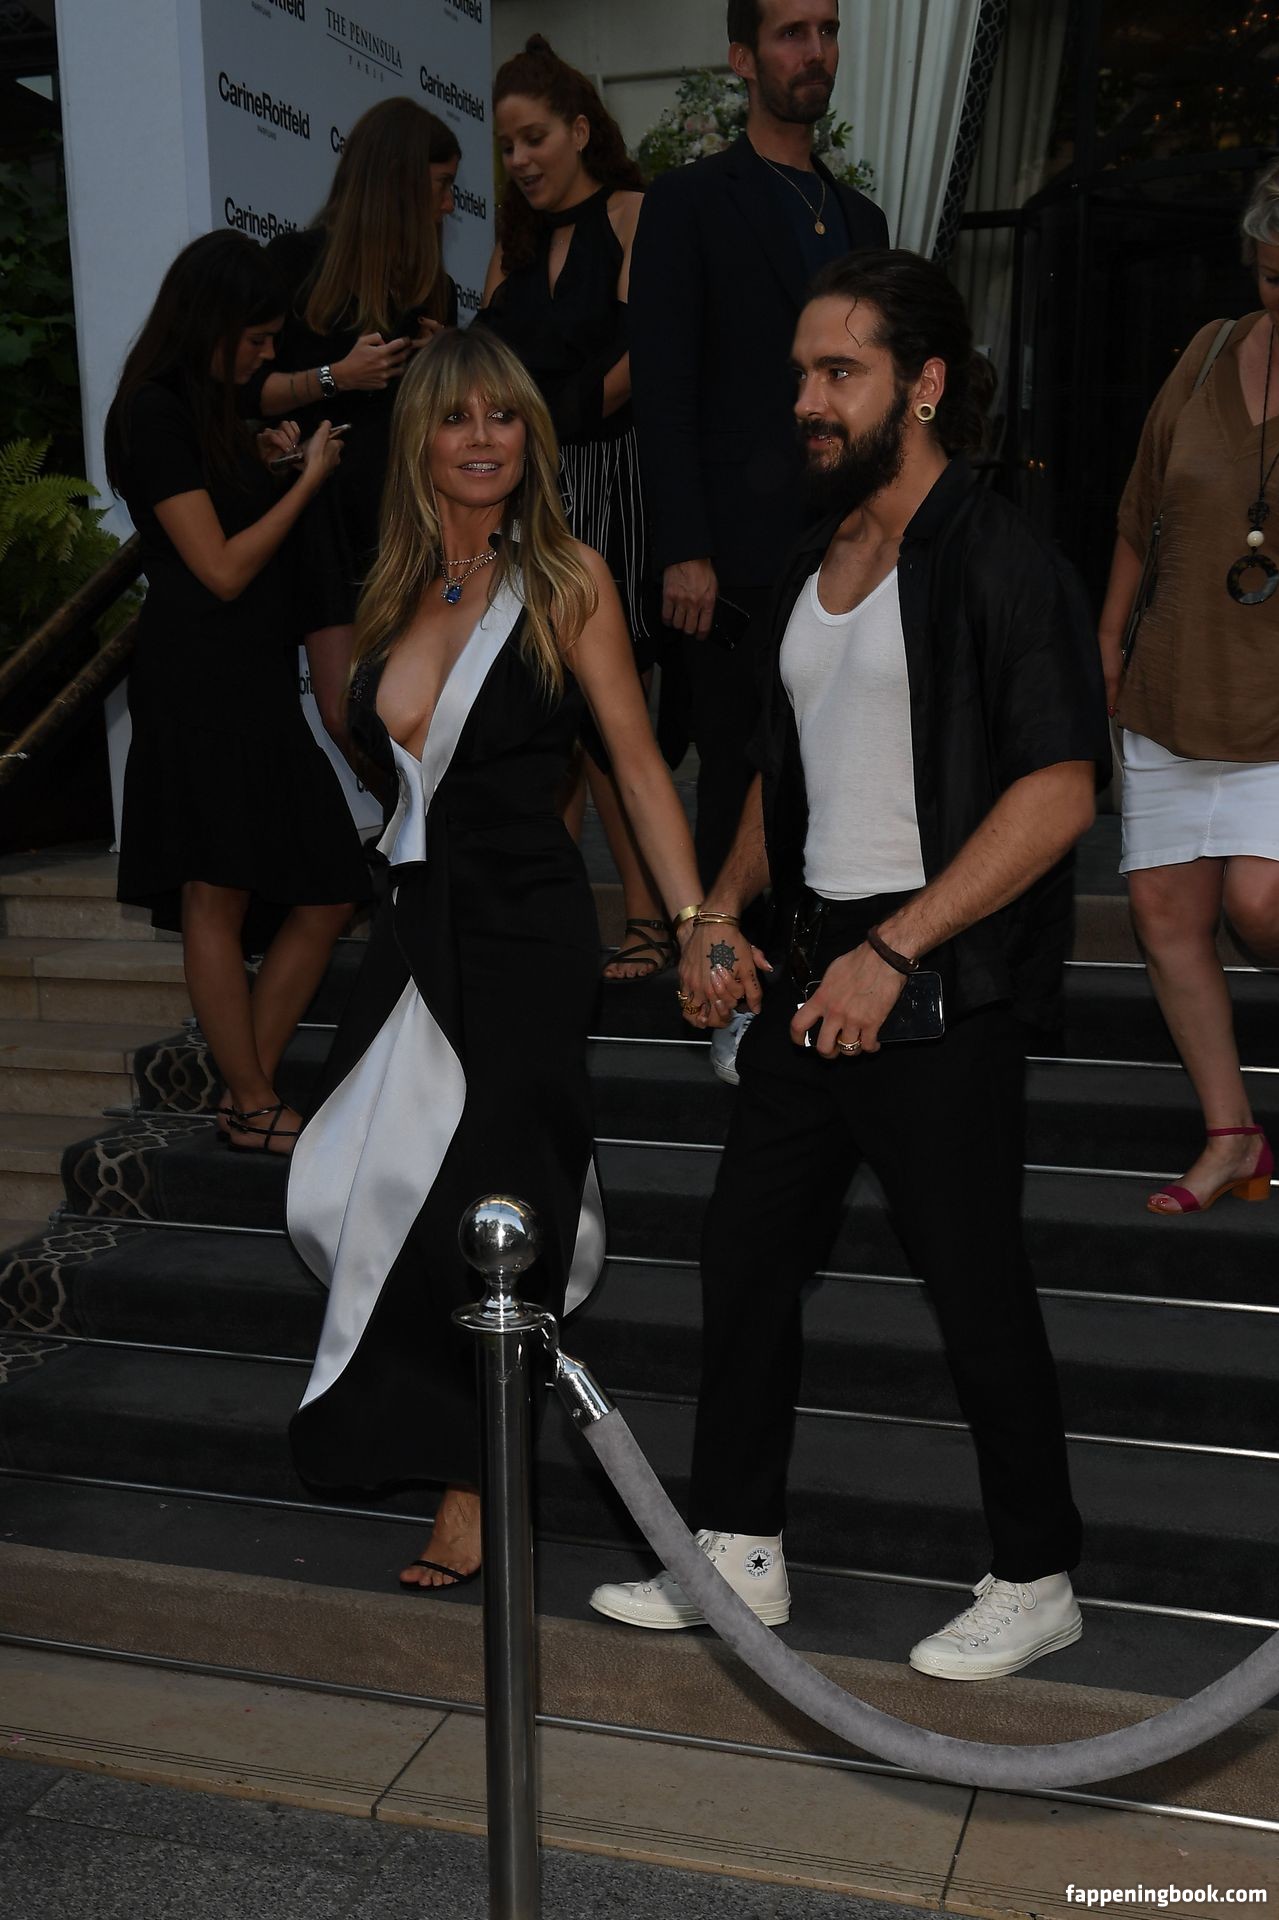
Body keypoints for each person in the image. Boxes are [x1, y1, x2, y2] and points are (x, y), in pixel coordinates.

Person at [590, 250, 1112, 1680]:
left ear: (921, 384)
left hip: (934, 973)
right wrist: (718, 910)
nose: (809, 402)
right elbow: (787, 767)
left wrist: (897, 947)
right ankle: (739, 1548)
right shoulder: (812, 559)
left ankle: (1036, 1574)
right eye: (802, 376)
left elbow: (1059, 792)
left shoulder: (999, 557)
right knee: (746, 1254)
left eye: (841, 374)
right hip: (819, 961)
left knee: (972, 1280)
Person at [286, 327, 705, 1590]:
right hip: (416, 928)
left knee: (493, 1204)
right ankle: (437, 1432)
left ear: (532, 436)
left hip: (524, 931)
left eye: (503, 416)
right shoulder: (395, 589)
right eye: (456, 418)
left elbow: (635, 762)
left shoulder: (566, 579)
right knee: (345, 1185)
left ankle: (477, 1482)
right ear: (419, 440)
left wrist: (693, 920)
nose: (481, 438)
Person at [629, 0, 888, 1055]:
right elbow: (663, 389)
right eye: (790, 33)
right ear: (741, 56)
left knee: (841, 773)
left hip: (847, 553)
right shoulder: (689, 202)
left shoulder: (861, 219)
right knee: (740, 775)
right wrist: (682, 546)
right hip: (731, 559)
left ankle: (824, 992)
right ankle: (725, 1001)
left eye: (825, 30)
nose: (813, 51)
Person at [107, 231, 367, 1154]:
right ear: (210, 323)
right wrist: (307, 483)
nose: (265, 357)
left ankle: (242, 1089)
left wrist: (271, 464)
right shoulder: (152, 412)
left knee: (331, 886)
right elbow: (217, 569)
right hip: (199, 680)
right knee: (214, 894)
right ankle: (254, 1102)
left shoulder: (204, 408)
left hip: (252, 681)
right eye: (255, 339)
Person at [1096, 162, 1279, 1218]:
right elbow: (1140, 511)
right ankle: (1229, 1134)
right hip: (1174, 682)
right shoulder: (1208, 351)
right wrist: (1107, 637)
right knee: (1164, 910)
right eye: (1270, 276)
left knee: (1260, 903)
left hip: (1273, 704)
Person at [478, 36, 669, 982]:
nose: (519, 160)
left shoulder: (634, 215)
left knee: (602, 709)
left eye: (535, 138)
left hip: (610, 483)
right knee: (540, 709)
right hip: (528, 495)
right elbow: (483, 366)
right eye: (507, 146)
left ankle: (647, 914)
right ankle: (552, 918)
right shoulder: (509, 248)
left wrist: (549, 426)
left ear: (582, 131)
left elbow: (646, 353)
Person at [250, 98, 462, 759]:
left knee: (413, 711)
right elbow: (247, 393)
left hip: (404, 519)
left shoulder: (433, 287)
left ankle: (423, 825)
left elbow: (456, 415)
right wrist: (335, 377)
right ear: (398, 182)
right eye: (441, 186)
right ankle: (415, 823)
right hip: (317, 517)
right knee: (345, 714)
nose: (449, 206)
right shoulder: (293, 262)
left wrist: (445, 363)